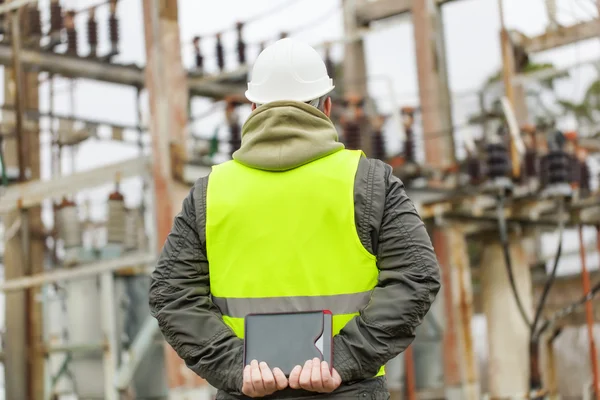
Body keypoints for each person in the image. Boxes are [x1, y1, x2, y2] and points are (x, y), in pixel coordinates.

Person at [149, 38, 441, 399]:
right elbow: (418, 275)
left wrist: (236, 365)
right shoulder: (369, 183)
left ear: (253, 106)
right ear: (328, 106)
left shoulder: (210, 194)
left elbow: (170, 295)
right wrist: (341, 358)